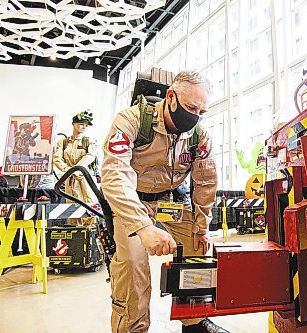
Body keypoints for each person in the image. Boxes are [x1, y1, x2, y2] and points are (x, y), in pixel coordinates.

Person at [102, 71, 227, 333]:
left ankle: (194, 322)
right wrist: (143, 227)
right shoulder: (131, 120)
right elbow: (115, 176)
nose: (195, 116)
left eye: (202, 111)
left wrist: (201, 226)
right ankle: (132, 329)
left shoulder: (199, 135)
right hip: (133, 203)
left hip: (170, 203)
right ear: (171, 97)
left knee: (197, 247)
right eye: (191, 107)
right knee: (133, 264)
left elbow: (205, 181)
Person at [53, 111, 98, 226]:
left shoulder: (89, 141)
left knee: (89, 204)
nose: (84, 127)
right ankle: (73, 233)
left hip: (85, 178)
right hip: (70, 178)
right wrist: (69, 170)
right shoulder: (63, 142)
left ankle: (90, 233)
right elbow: (57, 158)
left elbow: (90, 156)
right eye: (81, 124)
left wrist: (77, 169)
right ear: (74, 124)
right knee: (71, 206)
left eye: (86, 125)